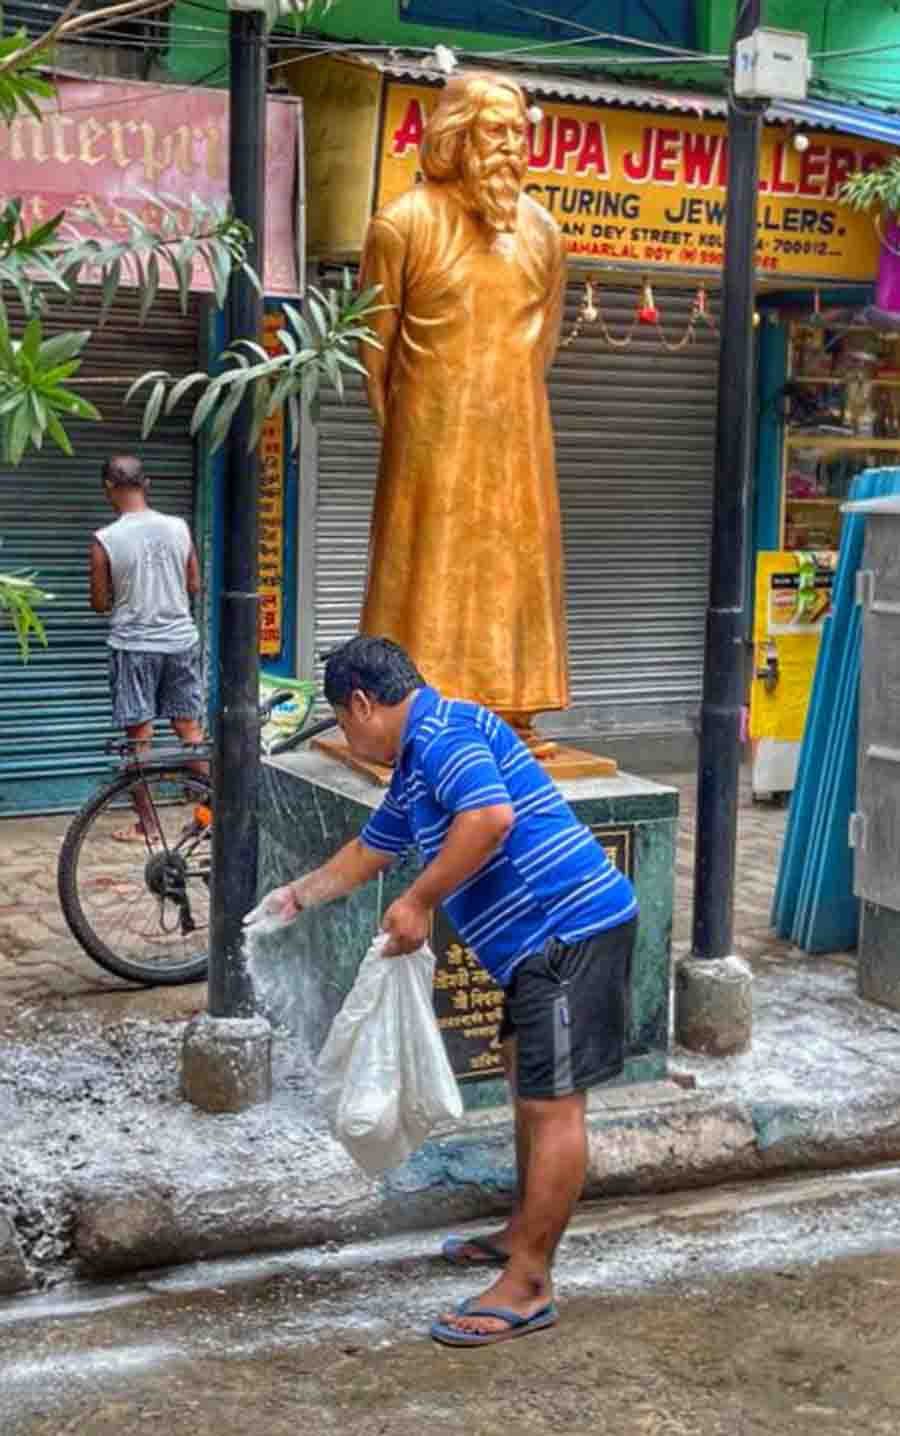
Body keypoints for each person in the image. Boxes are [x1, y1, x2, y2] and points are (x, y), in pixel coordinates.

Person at [256, 636, 638, 1347]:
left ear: (365, 703)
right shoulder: (415, 761)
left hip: (566, 929)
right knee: (530, 1081)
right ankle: (523, 1233)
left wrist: (421, 900)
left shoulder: (444, 734)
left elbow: (490, 820)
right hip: (537, 946)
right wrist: (296, 898)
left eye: (343, 721)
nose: (347, 735)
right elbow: (373, 847)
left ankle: (528, 1283)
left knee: (552, 1105)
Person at [357, 73, 569, 735]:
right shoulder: (402, 224)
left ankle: (512, 705)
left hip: (519, 441)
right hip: (429, 443)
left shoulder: (544, 233)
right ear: (457, 136)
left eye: (519, 132)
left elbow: (546, 345)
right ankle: (403, 710)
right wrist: (417, 440)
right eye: (495, 130)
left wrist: (499, 408)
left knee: (515, 568)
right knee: (423, 570)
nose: (510, 146)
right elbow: (372, 353)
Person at [90, 454, 204, 843]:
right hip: (180, 642)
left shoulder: (105, 539)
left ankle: (148, 826)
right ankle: (219, 814)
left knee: (139, 740)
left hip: (134, 646)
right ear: (147, 483)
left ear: (109, 487)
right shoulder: (179, 527)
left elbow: (99, 602)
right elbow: (194, 585)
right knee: (189, 730)